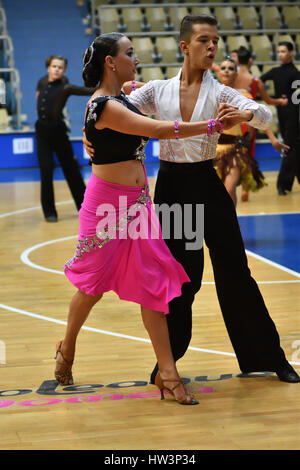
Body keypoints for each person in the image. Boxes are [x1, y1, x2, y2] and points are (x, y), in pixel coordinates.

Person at [84, 15, 300, 385]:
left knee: (235, 271)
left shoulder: (220, 93)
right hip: (173, 190)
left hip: (206, 183)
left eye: (215, 40)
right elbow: (107, 109)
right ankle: (168, 365)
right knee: (183, 279)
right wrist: (89, 137)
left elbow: (263, 115)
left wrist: (247, 113)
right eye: (204, 40)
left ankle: (268, 356)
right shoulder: (156, 91)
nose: (212, 47)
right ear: (184, 46)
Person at [55, 32, 246, 406]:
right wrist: (211, 127)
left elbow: (132, 106)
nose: (136, 58)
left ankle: (168, 374)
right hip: (108, 208)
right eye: (129, 53)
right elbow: (160, 130)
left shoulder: (121, 98)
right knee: (92, 286)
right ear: (111, 62)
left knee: (154, 284)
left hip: (139, 204)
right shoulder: (106, 106)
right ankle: (68, 348)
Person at [214, 59, 290, 206]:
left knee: (229, 190)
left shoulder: (242, 95)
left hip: (234, 150)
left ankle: (232, 225)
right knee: (215, 193)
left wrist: (273, 139)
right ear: (218, 72)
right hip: (211, 150)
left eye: (230, 68)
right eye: (223, 68)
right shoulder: (209, 94)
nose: (226, 70)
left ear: (236, 73)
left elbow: (257, 117)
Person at [35, 55, 94, 222]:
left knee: (71, 169)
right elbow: (38, 98)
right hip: (41, 131)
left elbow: (86, 91)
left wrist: (107, 87)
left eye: (60, 67)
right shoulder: (41, 81)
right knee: (46, 169)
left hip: (58, 131)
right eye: (54, 66)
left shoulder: (65, 87)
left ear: (64, 70)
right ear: (48, 67)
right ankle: (49, 211)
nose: (56, 69)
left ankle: (84, 206)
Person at [233, 46, 288, 201]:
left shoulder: (230, 76)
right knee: (248, 156)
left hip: (233, 120)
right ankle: (245, 188)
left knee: (232, 155)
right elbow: (268, 101)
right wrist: (282, 101)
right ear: (250, 60)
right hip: (250, 122)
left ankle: (230, 185)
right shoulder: (255, 81)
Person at [260, 42, 300, 196]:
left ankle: (282, 184)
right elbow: (258, 81)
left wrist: (289, 98)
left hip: (292, 113)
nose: (280, 54)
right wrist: (271, 99)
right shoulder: (276, 71)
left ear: (291, 52)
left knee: (289, 146)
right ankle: (287, 183)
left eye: (283, 51)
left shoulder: (295, 73)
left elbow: (298, 95)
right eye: (278, 51)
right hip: (281, 112)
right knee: (294, 146)